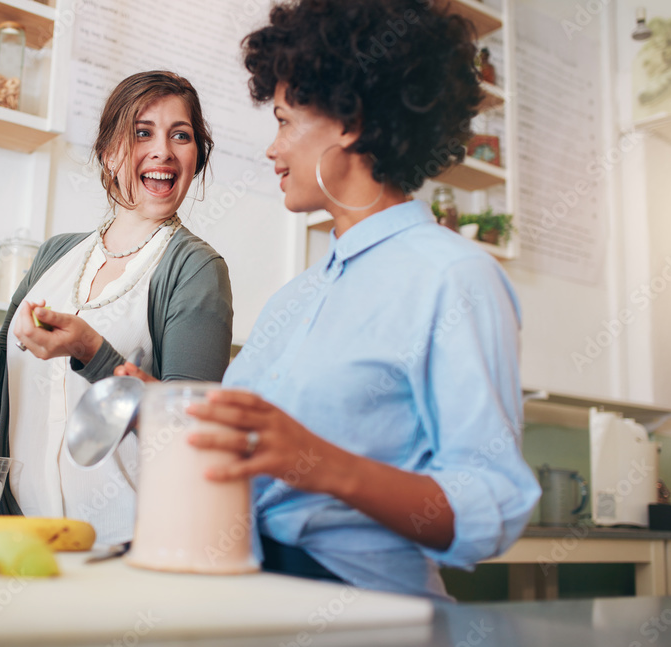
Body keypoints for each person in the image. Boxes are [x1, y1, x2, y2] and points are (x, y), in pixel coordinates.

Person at [150, 0, 539, 599]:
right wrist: (156, 406)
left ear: (349, 121)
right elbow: (247, 456)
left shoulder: (455, 278)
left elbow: (493, 507)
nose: (271, 149)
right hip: (252, 593)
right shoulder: (294, 300)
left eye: (283, 121)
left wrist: (321, 462)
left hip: (368, 609)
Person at [0, 71, 233, 546]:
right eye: (143, 132)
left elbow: (187, 429)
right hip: (22, 533)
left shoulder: (195, 268)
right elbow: (0, 393)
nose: (163, 149)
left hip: (129, 548)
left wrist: (90, 350)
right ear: (109, 151)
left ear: (195, 156)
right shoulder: (55, 256)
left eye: (180, 135)